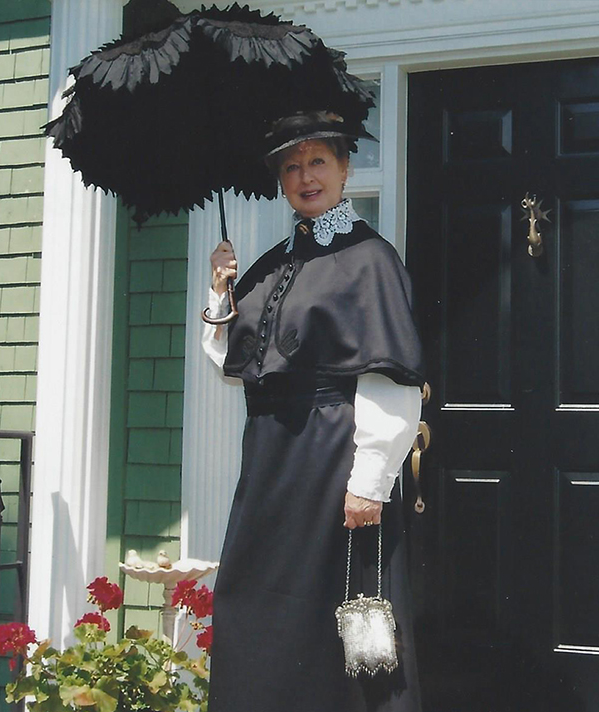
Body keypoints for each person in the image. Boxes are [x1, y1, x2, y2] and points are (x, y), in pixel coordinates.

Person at [202, 111, 424, 712]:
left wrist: (370, 483)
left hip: (335, 459)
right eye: (292, 166)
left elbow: (390, 379)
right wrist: (223, 292)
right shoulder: (276, 260)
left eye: (318, 162)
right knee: (259, 605)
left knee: (339, 621)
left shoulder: (370, 258)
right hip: (273, 461)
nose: (305, 176)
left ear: (346, 168)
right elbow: (234, 360)